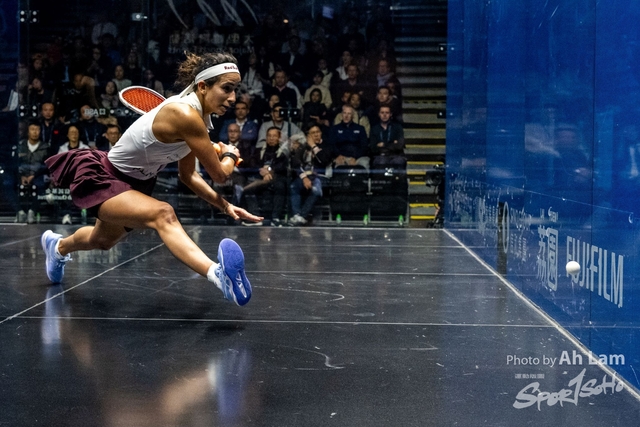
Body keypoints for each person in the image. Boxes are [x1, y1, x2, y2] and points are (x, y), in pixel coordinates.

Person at [41, 51, 262, 306]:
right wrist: (230, 154)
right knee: (163, 213)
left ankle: (57, 247)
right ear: (202, 86)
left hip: (138, 184)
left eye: (235, 90)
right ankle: (219, 276)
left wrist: (224, 205)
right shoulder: (184, 114)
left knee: (101, 241)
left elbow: (188, 175)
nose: (233, 98)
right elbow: (220, 174)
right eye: (227, 88)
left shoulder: (198, 120)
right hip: (106, 176)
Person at [243, 127, 289, 227]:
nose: (271, 138)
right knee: (248, 188)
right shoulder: (259, 150)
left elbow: (282, 167)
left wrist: (269, 171)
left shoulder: (284, 152)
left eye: (274, 136)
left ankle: (275, 218)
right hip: (261, 178)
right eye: (269, 136)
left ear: (279, 138)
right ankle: (256, 218)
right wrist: (262, 171)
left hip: (277, 178)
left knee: (280, 187)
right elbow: (253, 163)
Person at [289, 125, 334, 225]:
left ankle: (302, 216)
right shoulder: (303, 147)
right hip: (305, 176)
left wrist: (313, 146)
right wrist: (304, 178)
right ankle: (296, 215)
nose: (316, 135)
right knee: (293, 186)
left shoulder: (327, 145)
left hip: (321, 176)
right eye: (313, 133)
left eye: (318, 132)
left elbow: (324, 160)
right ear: (308, 136)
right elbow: (296, 163)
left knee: (316, 189)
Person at [16, 120, 50, 224]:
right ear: (28, 131)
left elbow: (46, 165)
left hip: (38, 175)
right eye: (32, 129)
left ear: (40, 131)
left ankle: (32, 211)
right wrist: (21, 176)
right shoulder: (20, 146)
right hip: (21, 175)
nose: (35, 132)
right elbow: (15, 163)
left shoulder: (45, 147)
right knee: (7, 183)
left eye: (37, 129)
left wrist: (34, 175)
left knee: (42, 184)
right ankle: (19, 211)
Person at [328, 104, 369, 170]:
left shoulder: (360, 128)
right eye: (344, 113)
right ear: (341, 114)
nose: (346, 116)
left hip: (358, 157)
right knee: (336, 166)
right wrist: (338, 155)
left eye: (349, 114)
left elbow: (364, 146)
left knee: (364, 164)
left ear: (352, 115)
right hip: (340, 156)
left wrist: (355, 157)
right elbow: (332, 144)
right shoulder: (334, 129)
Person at [369, 105, 406, 171]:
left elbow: (400, 145)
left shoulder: (397, 127)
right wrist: (392, 143)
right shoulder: (374, 129)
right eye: (382, 112)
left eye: (387, 113)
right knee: (381, 162)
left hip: (396, 155)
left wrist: (383, 145)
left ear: (390, 114)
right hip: (380, 156)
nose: (384, 115)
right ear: (379, 114)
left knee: (398, 161)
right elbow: (373, 147)